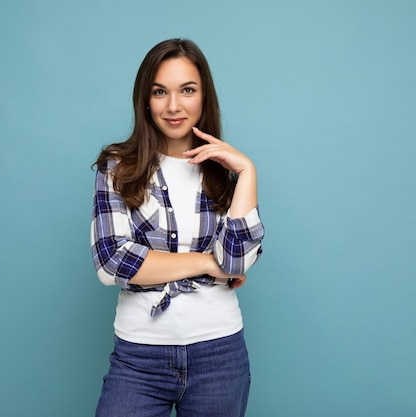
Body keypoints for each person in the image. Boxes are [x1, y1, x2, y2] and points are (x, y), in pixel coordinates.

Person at [91, 38, 265, 417]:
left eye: (187, 90)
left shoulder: (227, 171)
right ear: (146, 99)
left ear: (204, 96)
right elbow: (112, 262)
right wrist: (205, 263)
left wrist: (248, 172)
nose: (173, 106)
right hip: (138, 359)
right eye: (160, 92)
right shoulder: (118, 167)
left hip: (219, 354)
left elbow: (235, 262)